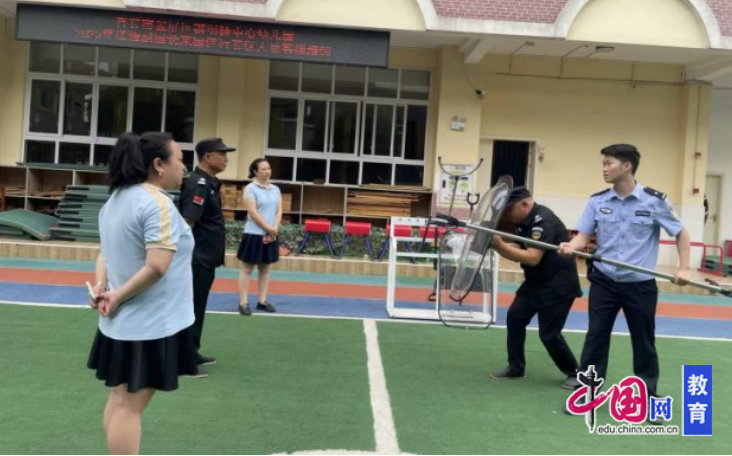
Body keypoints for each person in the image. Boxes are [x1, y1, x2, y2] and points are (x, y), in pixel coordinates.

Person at [558, 144, 691, 414]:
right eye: (603, 164)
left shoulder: (654, 200)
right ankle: (587, 393)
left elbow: (680, 232)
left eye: (609, 163)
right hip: (604, 281)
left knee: (643, 342)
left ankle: (648, 398)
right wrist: (571, 246)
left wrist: (684, 268)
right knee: (595, 338)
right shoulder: (597, 201)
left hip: (640, 285)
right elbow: (583, 235)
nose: (604, 168)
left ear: (627, 166)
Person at [87, 132, 196, 455]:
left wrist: (103, 287)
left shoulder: (115, 200)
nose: (184, 167)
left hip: (124, 323)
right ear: (159, 164)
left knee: (120, 399)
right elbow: (157, 266)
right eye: (180, 159)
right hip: (150, 324)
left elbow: (105, 253)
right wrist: (116, 295)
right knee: (129, 407)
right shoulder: (156, 203)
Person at [490, 187, 582, 388]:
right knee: (515, 318)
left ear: (524, 204)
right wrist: (496, 244)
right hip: (536, 282)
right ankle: (516, 367)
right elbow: (518, 247)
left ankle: (575, 373)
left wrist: (499, 245)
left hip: (558, 285)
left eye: (510, 209)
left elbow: (532, 258)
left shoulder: (542, 221)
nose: (507, 213)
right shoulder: (526, 222)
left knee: (549, 334)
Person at [179, 138, 236, 378]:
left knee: (197, 307)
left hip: (205, 257)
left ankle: (192, 351)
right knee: (190, 308)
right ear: (207, 156)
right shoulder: (199, 184)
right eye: (222, 154)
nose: (226, 159)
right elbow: (187, 224)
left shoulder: (209, 183)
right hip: (197, 258)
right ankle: (184, 360)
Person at [237, 158, 282, 315]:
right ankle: (243, 302)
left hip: (271, 234)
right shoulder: (250, 188)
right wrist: (269, 229)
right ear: (255, 172)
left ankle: (262, 301)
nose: (267, 171)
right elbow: (253, 213)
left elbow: (279, 211)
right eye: (263, 169)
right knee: (247, 269)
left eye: (268, 168)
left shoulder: (275, 189)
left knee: (265, 269)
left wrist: (274, 228)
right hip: (254, 234)